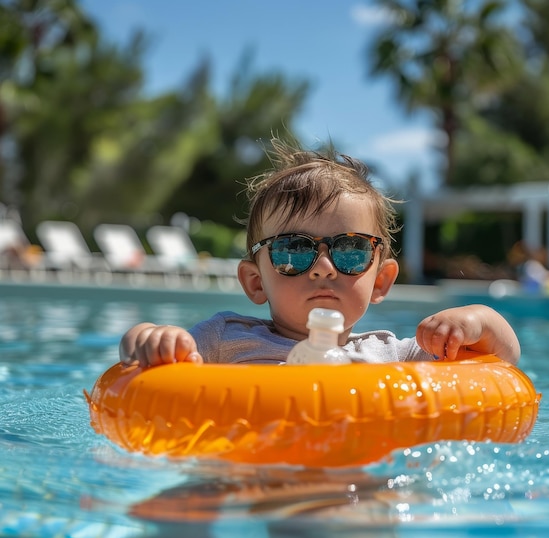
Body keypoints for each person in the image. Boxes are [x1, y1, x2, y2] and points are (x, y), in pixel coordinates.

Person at [120, 137, 520, 367]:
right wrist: (148, 339)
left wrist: (476, 319)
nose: (324, 268)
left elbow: (504, 357)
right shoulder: (224, 341)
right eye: (293, 251)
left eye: (350, 251)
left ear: (380, 280)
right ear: (256, 282)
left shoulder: (395, 354)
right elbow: (141, 358)